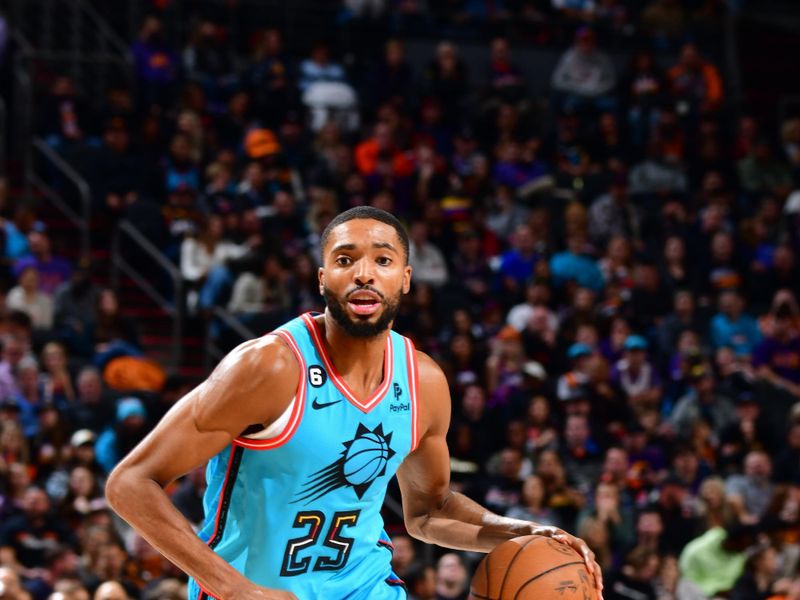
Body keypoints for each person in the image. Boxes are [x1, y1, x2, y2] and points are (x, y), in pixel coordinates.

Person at [106, 207, 602, 599]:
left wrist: (522, 532)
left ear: (405, 278)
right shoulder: (269, 367)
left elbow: (428, 512)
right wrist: (234, 588)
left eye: (382, 260)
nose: (364, 273)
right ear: (323, 278)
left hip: (365, 588)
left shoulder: (424, 382)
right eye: (345, 260)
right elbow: (130, 483)